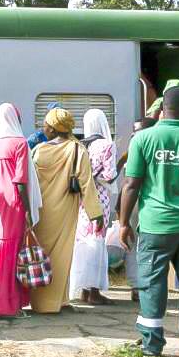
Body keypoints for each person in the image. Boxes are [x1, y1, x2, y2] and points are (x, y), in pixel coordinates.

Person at [120, 86, 179, 357]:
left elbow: (131, 185)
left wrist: (124, 222)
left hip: (155, 225)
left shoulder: (143, 139)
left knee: (153, 283)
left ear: (162, 109)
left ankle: (152, 344)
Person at [31, 108, 103, 314]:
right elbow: (86, 183)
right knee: (62, 255)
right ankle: (56, 302)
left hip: (41, 210)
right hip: (64, 208)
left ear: (53, 128)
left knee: (42, 253)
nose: (43, 127)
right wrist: (94, 213)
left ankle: (46, 302)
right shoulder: (77, 149)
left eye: (46, 124)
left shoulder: (39, 150)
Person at [0, 103, 41, 318]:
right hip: (15, 203)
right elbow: (20, 181)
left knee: (1, 247)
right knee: (13, 251)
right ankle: (10, 305)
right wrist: (27, 209)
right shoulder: (20, 143)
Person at [70, 109, 118, 305]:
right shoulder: (107, 145)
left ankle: (82, 290)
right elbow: (109, 176)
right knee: (97, 241)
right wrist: (122, 161)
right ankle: (94, 292)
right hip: (100, 199)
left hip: (81, 200)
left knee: (83, 241)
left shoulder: (80, 145)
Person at [118, 117, 157, 302]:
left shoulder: (141, 147)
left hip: (149, 202)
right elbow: (127, 183)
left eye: (139, 130)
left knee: (146, 246)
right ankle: (137, 287)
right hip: (137, 203)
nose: (135, 134)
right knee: (135, 245)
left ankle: (143, 286)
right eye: (134, 131)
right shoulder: (137, 148)